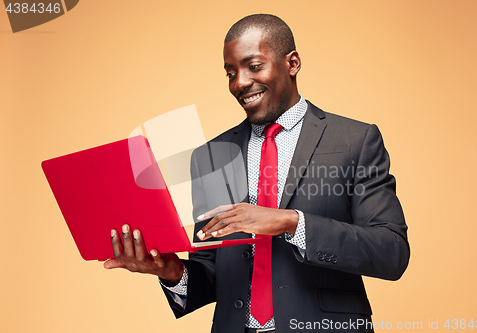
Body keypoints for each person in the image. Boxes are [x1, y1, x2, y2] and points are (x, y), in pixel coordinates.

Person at [104, 14, 410, 333]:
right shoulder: (210, 156)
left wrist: (291, 222)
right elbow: (212, 272)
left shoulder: (354, 141)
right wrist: (171, 271)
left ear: (292, 63)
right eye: (230, 73)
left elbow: (391, 251)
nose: (239, 83)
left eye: (253, 66)